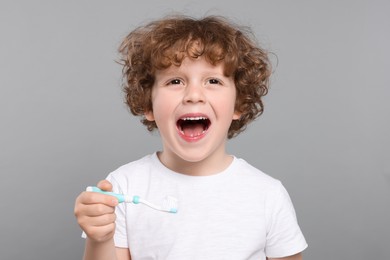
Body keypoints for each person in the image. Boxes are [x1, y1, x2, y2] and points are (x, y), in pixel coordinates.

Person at [74, 14, 308, 260]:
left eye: (213, 81)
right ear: (148, 105)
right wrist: (99, 239)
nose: (194, 95)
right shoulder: (123, 186)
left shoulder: (267, 195)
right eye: (175, 81)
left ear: (238, 104)